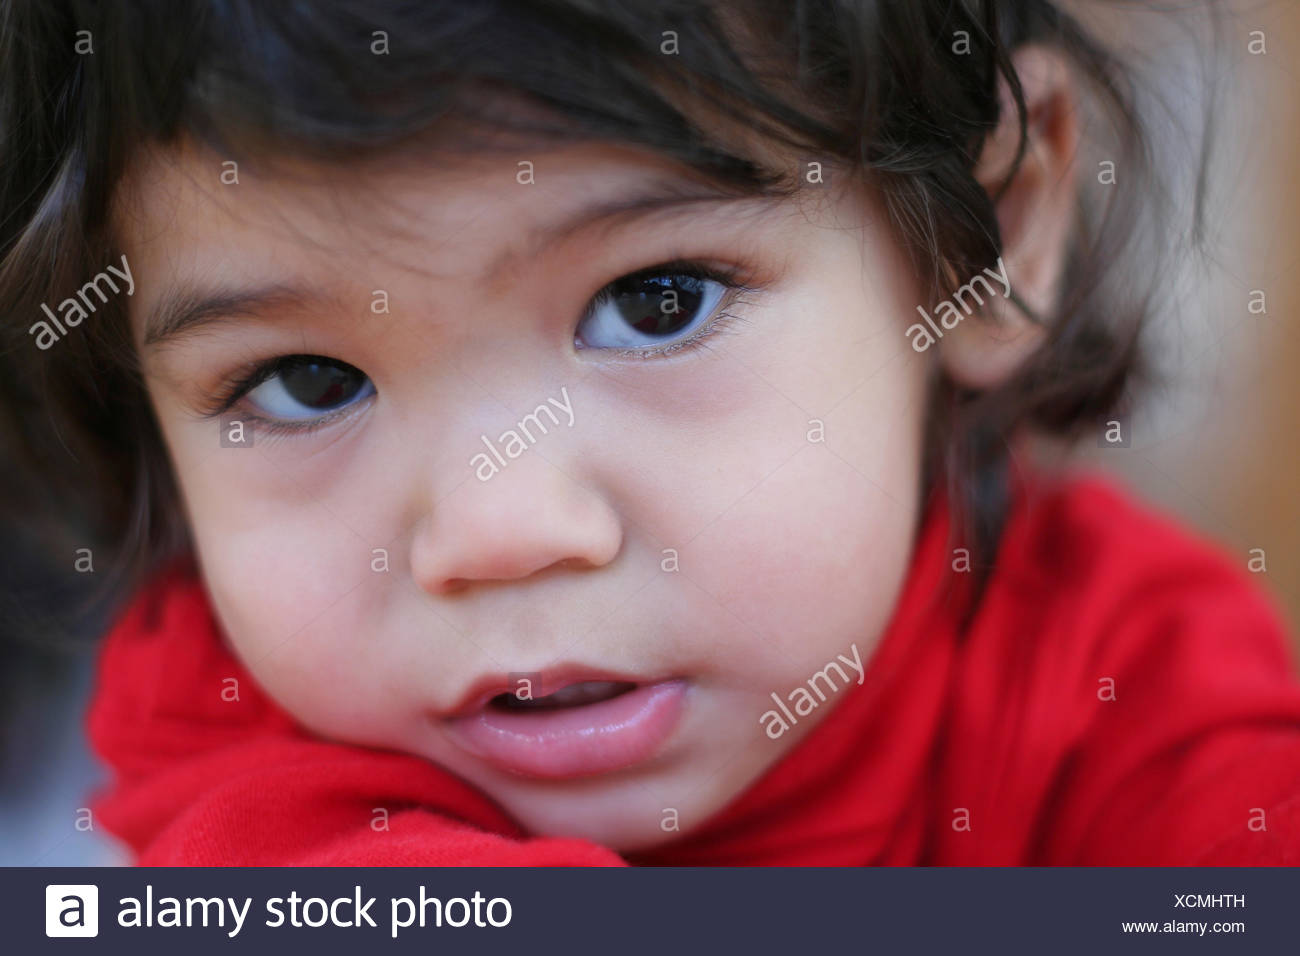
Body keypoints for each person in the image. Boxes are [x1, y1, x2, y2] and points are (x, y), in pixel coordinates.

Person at [2, 0, 1298, 865]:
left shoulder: (1139, 687)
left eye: (655, 302)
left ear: (988, 232)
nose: (500, 531)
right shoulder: (239, 763)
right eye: (304, 383)